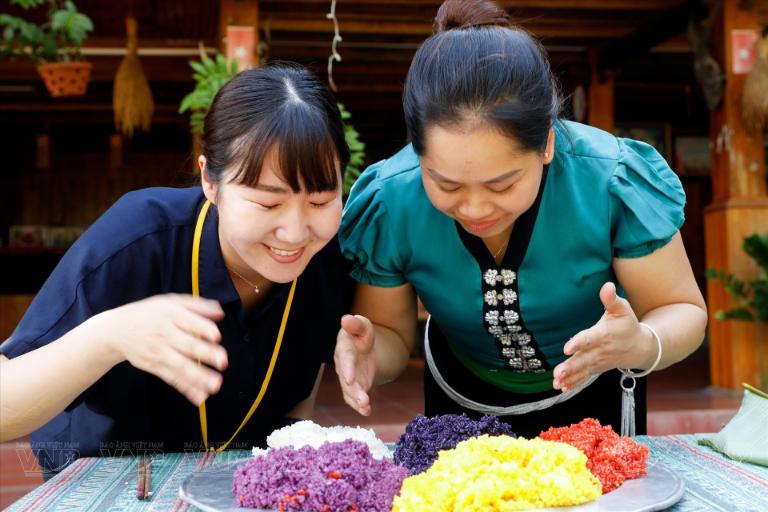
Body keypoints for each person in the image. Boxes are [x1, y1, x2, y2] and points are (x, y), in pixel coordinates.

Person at [334, 0, 707, 438]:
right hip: (459, 397)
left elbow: (682, 310)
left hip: (596, 389)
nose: (475, 209)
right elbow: (391, 337)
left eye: (502, 185)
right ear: (418, 154)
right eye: (446, 185)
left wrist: (641, 343)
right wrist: (370, 353)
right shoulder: (391, 199)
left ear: (547, 144)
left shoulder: (611, 180)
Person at [0, 63, 354, 473]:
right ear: (209, 181)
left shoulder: (327, 256)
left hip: (237, 484)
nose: (295, 233)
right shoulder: (137, 238)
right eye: (268, 203)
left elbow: (299, 389)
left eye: (321, 201)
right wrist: (111, 336)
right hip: (101, 481)